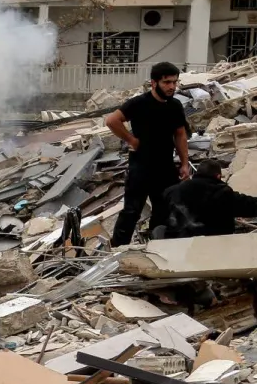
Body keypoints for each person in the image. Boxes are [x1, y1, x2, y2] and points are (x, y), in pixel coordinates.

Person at [107, 61, 192, 246]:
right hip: (141, 167)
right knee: (131, 211)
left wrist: (185, 163)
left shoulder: (175, 105)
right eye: (166, 82)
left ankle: (156, 247)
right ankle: (117, 250)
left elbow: (180, 134)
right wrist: (131, 140)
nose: (171, 87)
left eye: (174, 82)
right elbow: (112, 121)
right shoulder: (139, 103)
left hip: (165, 167)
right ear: (154, 83)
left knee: (164, 211)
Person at [157, 160, 257, 238]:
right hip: (211, 247)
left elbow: (159, 219)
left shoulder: (171, 192)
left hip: (174, 246)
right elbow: (250, 205)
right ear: (218, 176)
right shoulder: (222, 193)